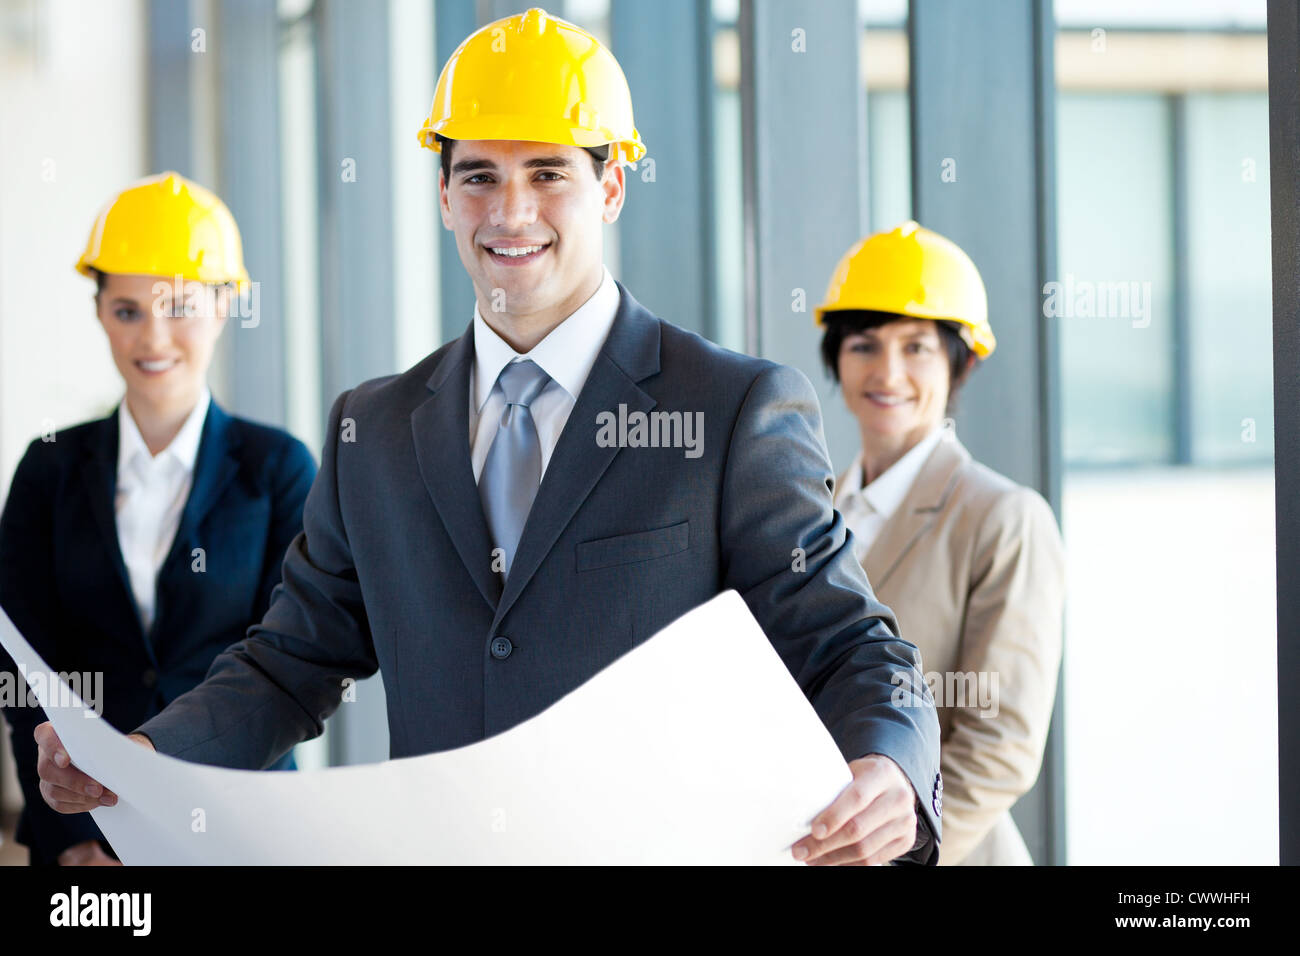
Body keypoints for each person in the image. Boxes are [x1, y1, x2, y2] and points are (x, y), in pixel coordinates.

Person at [34, 9, 941, 865]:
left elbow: (848, 642)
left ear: (612, 186)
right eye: (479, 176)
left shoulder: (730, 409)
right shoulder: (374, 429)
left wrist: (893, 766)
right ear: (443, 196)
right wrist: (139, 759)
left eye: (548, 172)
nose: (510, 212)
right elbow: (288, 665)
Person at [0, 172, 316, 865]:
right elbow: (24, 668)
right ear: (99, 310)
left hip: (240, 824)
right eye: (127, 310)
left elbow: (292, 664)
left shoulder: (279, 468)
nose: (154, 338)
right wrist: (72, 832)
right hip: (83, 832)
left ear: (226, 305)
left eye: (178, 307)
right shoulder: (49, 468)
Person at [816, 220, 1065, 864]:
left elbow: (1000, 744)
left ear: (961, 362)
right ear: (837, 360)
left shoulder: (1003, 517)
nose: (887, 372)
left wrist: (893, 846)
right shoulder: (808, 510)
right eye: (864, 345)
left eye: (918, 347)